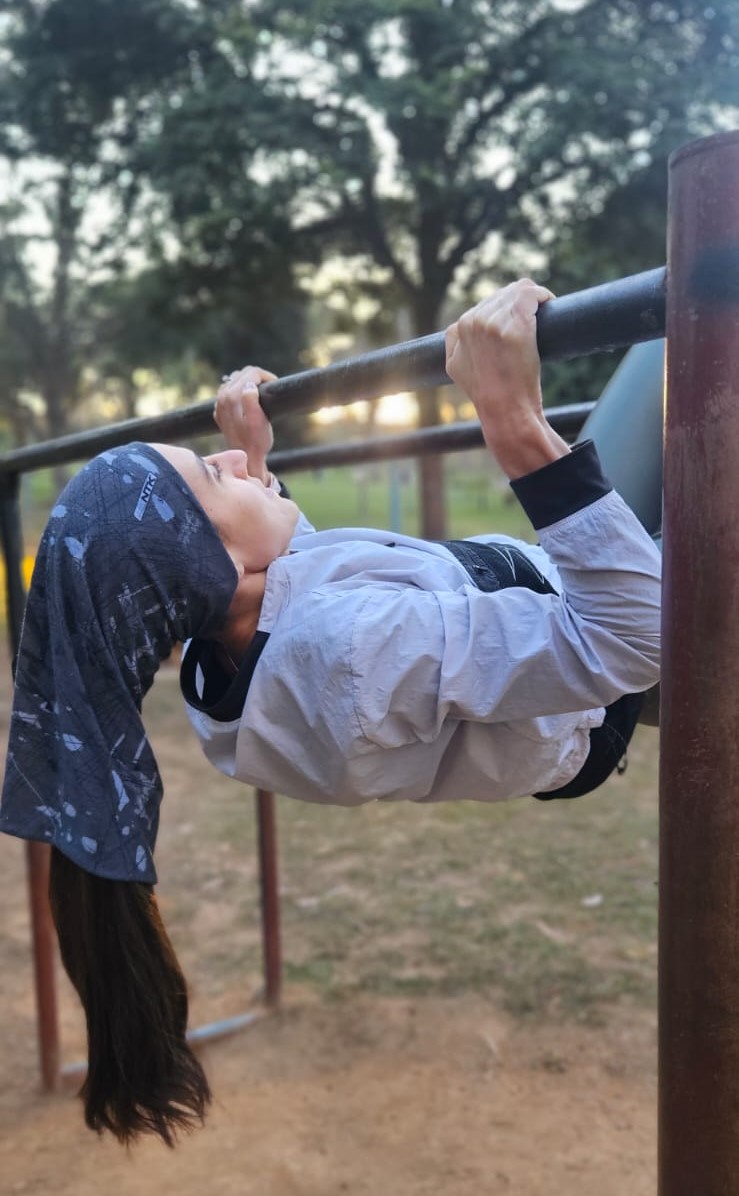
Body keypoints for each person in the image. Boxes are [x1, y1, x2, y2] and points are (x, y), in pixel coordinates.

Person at [0, 280, 661, 1147]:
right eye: (211, 473)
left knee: (675, 364)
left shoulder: (230, 654)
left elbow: (305, 600)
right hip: (603, 668)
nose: (227, 458)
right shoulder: (351, 650)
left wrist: (255, 464)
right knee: (680, 336)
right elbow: (632, 639)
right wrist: (511, 422)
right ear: (213, 563)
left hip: (551, 605)